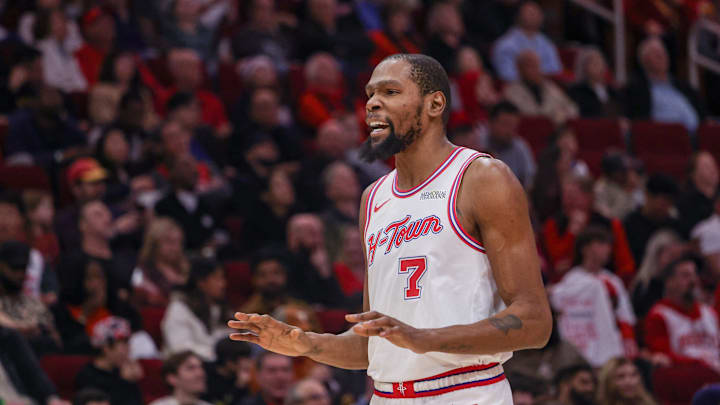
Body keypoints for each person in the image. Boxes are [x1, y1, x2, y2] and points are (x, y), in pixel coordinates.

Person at [228, 54, 552, 404]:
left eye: (390, 91)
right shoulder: (374, 197)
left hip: (464, 391)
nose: (373, 103)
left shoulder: (481, 178)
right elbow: (373, 344)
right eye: (369, 94)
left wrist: (425, 339)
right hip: (386, 396)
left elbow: (534, 322)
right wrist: (306, 343)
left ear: (435, 103)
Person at [550, 228, 637, 368]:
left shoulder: (613, 281)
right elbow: (559, 307)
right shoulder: (572, 279)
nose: (607, 249)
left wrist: (628, 344)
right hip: (580, 342)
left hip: (609, 341)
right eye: (601, 243)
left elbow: (624, 317)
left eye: (608, 245)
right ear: (585, 248)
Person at [644, 255, 720, 372]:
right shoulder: (660, 315)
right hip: (686, 378)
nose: (693, 280)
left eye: (695, 274)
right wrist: (702, 364)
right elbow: (663, 358)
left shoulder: (709, 312)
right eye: (686, 275)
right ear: (670, 282)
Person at [623, 37, 704, 132]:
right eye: (655, 53)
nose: (661, 55)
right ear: (644, 60)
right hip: (661, 139)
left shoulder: (685, 87)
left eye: (663, 52)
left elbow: (703, 114)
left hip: (695, 139)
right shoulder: (636, 90)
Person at [161, 257, 231, 361]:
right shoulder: (179, 309)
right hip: (184, 369)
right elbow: (180, 348)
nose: (223, 284)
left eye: (223, 278)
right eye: (217, 278)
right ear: (201, 282)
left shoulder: (221, 309)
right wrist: (215, 355)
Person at [75, 316, 144, 405]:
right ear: (106, 348)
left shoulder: (122, 371)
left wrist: (133, 382)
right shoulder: (87, 376)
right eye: (124, 344)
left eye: (128, 343)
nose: (128, 349)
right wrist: (125, 382)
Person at [492, 1, 562, 82]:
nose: (534, 16)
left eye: (537, 12)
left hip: (544, 86)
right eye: (530, 13)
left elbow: (555, 70)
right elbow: (506, 75)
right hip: (518, 87)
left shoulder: (546, 42)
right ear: (519, 16)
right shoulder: (505, 44)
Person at [503, 50, 579, 125]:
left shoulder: (550, 87)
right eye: (529, 65)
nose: (534, 69)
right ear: (519, 69)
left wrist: (562, 114)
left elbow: (572, 109)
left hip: (553, 131)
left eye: (536, 65)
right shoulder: (511, 91)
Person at [131, 217, 189, 307]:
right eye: (169, 242)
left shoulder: (186, 269)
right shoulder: (143, 271)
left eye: (179, 242)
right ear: (154, 243)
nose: (175, 248)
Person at [478, 101, 536, 189]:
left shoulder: (520, 147)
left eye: (513, 127)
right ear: (490, 123)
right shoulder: (478, 142)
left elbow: (529, 182)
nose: (509, 131)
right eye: (505, 125)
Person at [623, 173, 680, 263]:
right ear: (647, 196)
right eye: (662, 201)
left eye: (669, 202)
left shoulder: (674, 226)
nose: (664, 207)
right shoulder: (630, 224)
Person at [568, 47, 621, 118]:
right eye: (594, 63)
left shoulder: (613, 91)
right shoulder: (577, 92)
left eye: (601, 62)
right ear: (584, 67)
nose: (599, 66)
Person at [204, 339, 253, 405]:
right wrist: (238, 386)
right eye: (245, 359)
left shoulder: (241, 376)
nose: (248, 363)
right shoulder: (204, 374)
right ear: (229, 361)